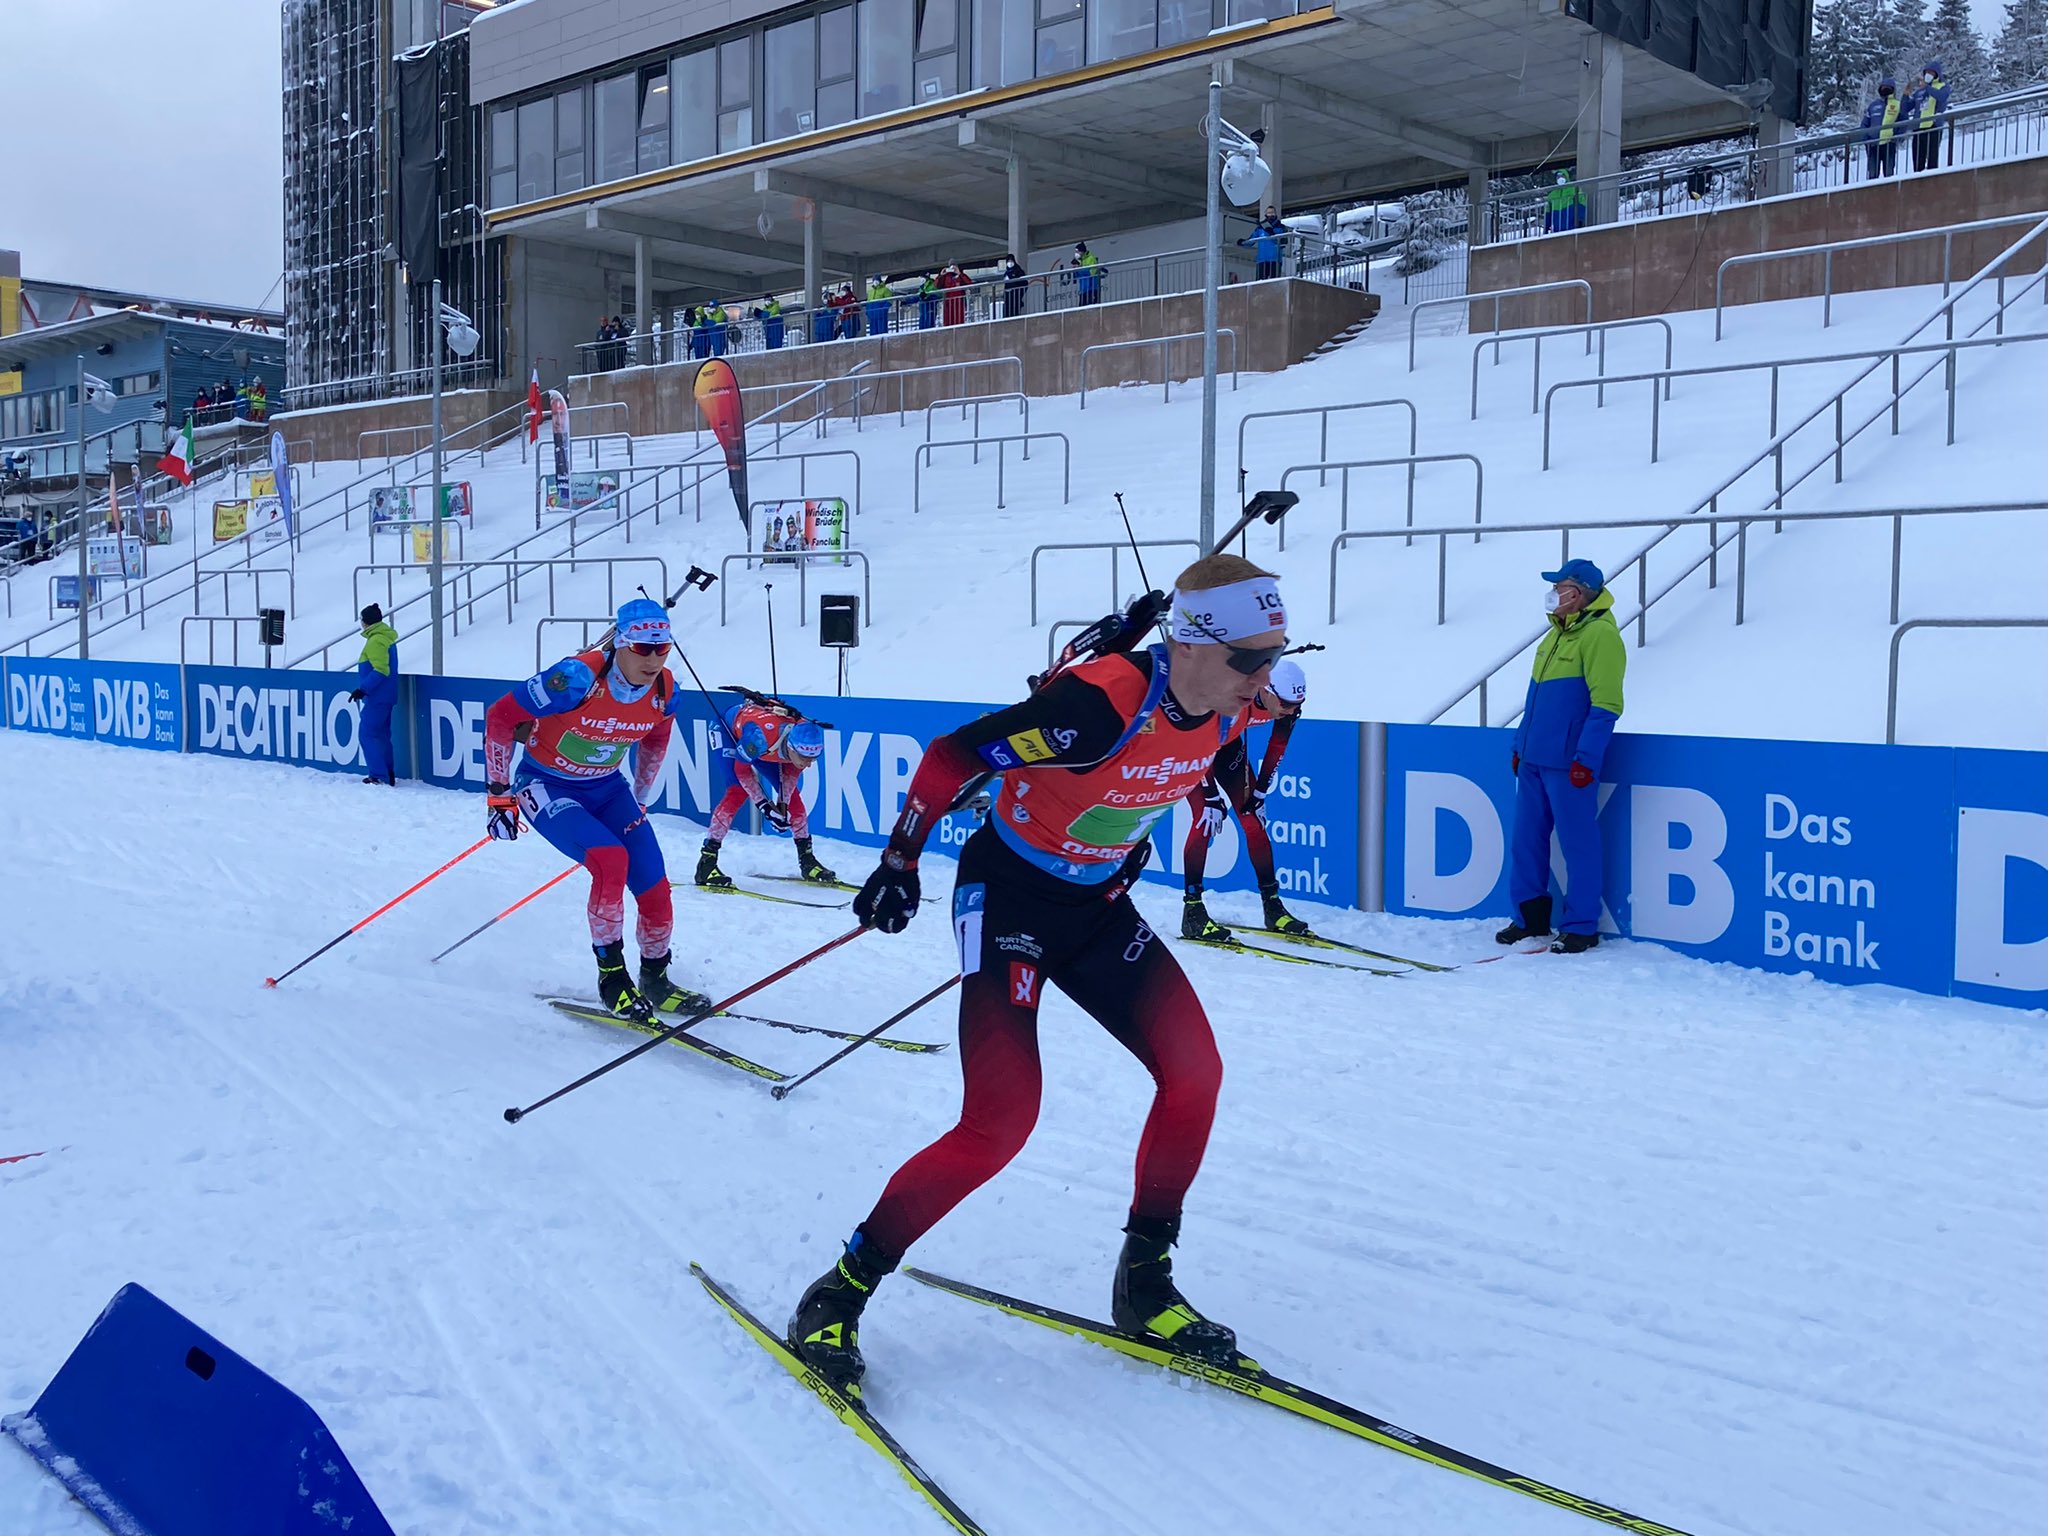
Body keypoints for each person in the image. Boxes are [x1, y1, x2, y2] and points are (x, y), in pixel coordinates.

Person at [786, 556, 1292, 1393]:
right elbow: (955, 756)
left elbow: (1147, 788)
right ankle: (840, 1289)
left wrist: (1127, 853)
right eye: (1250, 660)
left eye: (1276, 655)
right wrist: (902, 860)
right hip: (1011, 898)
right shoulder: (1095, 706)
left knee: (1195, 1072)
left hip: (1094, 911)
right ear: (1193, 644)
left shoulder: (1231, 706)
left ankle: (1145, 1283)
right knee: (1001, 1122)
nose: (1265, 679)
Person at [482, 599, 706, 1021]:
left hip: (607, 789)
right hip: (546, 785)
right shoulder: (575, 677)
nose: (654, 658)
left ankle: (656, 978)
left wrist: (640, 796)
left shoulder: (665, 689)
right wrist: (498, 794)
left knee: (656, 887)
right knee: (609, 859)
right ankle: (612, 979)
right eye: (642, 648)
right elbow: (500, 716)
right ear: (620, 643)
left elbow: (656, 738)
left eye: (663, 648)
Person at [1501, 560, 1624, 955]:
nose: (1554, 592)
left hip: (1570, 765)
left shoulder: (1601, 636)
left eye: (1561, 585)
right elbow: (1533, 701)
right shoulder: (1553, 636)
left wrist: (1586, 758)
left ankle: (1581, 926)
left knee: (1577, 845)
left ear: (1580, 593)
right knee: (1526, 842)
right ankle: (1529, 919)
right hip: (1535, 760)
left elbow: (1606, 705)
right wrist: (1521, 746)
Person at [1180, 657, 1311, 941]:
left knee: (1253, 821)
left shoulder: (1283, 705)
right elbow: (1193, 743)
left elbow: (1277, 746)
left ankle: (1273, 907)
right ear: (1267, 690)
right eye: (1287, 705)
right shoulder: (1235, 695)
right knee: (1205, 817)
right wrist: (1211, 794)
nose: (1291, 711)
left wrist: (1260, 792)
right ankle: (1192, 911)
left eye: (1297, 706)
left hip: (1227, 750)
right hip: (1191, 752)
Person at [695, 695, 837, 888]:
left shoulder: (802, 739)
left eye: (813, 759)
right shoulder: (760, 738)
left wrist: (782, 806)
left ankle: (807, 860)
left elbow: (789, 780)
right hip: (729, 732)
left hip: (767, 748)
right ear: (791, 748)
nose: (808, 764)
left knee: (793, 799)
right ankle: (707, 863)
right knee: (738, 791)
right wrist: (766, 808)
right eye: (804, 758)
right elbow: (742, 771)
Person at [349, 604, 400, 786]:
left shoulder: (375, 641)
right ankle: (388, 772)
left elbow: (380, 670)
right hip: (386, 696)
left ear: (366, 622)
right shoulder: (385, 638)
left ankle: (378, 775)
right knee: (382, 735)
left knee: (367, 734)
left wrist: (363, 689)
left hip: (377, 697)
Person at [1907, 60, 1950, 173]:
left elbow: (1941, 97)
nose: (1928, 75)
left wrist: (1928, 88)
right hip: (1918, 129)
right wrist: (1905, 95)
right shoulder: (1920, 91)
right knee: (1917, 163)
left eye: (1931, 72)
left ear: (1937, 74)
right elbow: (1905, 108)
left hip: (1933, 127)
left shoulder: (1942, 86)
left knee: (1932, 162)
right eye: (1926, 72)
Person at [1861, 78, 1902, 179]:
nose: (1885, 89)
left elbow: (1903, 123)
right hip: (1873, 144)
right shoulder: (1873, 106)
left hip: (1889, 143)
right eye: (1883, 87)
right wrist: (1866, 139)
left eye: (1888, 88)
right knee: (1872, 173)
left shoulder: (1897, 104)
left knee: (1889, 173)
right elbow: (1865, 123)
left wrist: (1896, 137)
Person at [1246, 207, 1287, 281]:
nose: (1271, 214)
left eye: (1272, 212)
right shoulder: (1260, 228)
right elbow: (1251, 240)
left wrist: (1272, 233)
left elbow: (1283, 242)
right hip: (1262, 259)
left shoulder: (1281, 227)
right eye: (1269, 213)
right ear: (1266, 214)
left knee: (1274, 282)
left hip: (1275, 259)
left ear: (1275, 214)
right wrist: (1242, 242)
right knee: (1260, 283)